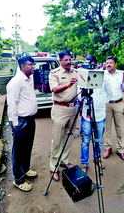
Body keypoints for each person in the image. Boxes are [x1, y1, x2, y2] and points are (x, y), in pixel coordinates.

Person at [6, 56, 38, 192]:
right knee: (18, 151)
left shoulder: (28, 79)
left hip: (30, 119)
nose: (33, 67)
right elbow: (12, 103)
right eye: (30, 64)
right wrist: (14, 123)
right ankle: (18, 179)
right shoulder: (16, 81)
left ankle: (25, 169)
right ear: (22, 66)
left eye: (33, 64)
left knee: (27, 147)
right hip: (21, 121)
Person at [78, 56, 112, 173]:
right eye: (88, 64)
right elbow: (79, 96)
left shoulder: (104, 78)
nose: (90, 66)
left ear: (96, 64)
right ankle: (85, 163)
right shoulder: (82, 77)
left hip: (100, 115)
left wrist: (101, 103)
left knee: (98, 140)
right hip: (86, 115)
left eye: (92, 64)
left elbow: (109, 94)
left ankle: (97, 159)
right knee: (85, 140)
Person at [48, 50, 78, 182]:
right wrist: (68, 84)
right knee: (57, 139)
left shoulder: (76, 72)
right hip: (60, 109)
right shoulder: (54, 73)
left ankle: (64, 160)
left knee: (69, 137)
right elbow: (54, 89)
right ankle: (53, 167)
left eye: (70, 59)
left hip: (73, 109)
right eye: (66, 59)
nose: (69, 62)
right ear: (60, 60)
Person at [103, 56, 124, 162]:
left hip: (119, 103)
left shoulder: (122, 74)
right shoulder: (102, 75)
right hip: (107, 105)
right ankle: (108, 148)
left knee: (119, 128)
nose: (108, 64)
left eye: (111, 62)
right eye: (107, 62)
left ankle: (121, 150)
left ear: (115, 64)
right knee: (107, 128)